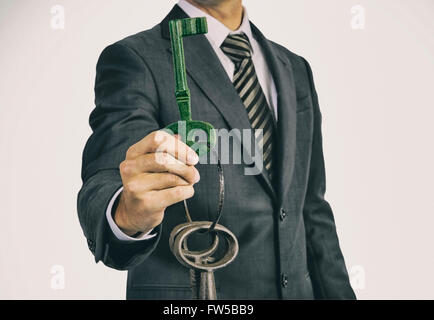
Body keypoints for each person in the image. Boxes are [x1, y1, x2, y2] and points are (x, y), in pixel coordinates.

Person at [77, 0, 356, 299]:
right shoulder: (135, 58)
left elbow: (310, 210)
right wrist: (126, 214)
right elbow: (104, 184)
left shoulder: (296, 68)